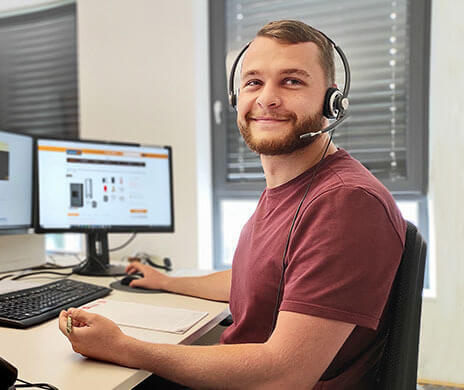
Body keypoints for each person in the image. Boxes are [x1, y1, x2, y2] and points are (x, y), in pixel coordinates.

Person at [58, 20, 406, 389]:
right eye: (254, 82)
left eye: (292, 81)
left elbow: (284, 374)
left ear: (332, 100)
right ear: (235, 96)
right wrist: (166, 281)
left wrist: (122, 347)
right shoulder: (289, 189)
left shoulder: (345, 203)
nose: (266, 98)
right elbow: (254, 280)